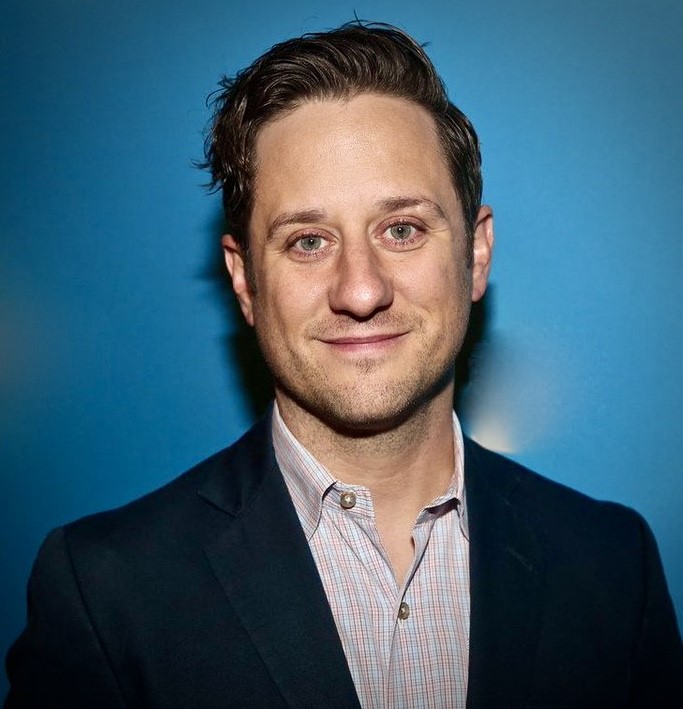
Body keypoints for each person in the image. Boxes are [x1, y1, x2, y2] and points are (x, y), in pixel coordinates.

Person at [5, 21, 683, 709]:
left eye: (402, 229)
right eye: (307, 241)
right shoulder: (106, 592)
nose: (360, 291)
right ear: (244, 280)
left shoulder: (612, 565)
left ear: (475, 254)